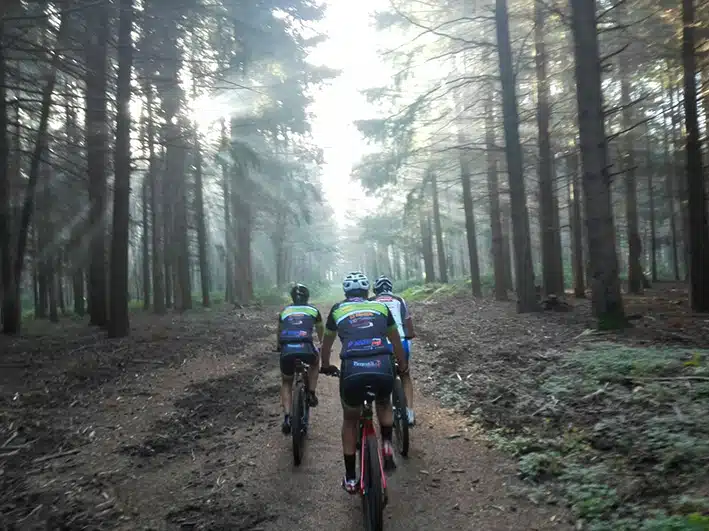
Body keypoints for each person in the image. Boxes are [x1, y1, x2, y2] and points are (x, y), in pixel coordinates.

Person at [320, 271, 409, 494]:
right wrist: (402, 364)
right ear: (367, 291)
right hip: (382, 366)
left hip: (352, 370)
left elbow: (326, 345)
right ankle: (387, 446)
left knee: (350, 419)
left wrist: (325, 365)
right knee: (384, 403)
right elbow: (396, 340)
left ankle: (351, 478)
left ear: (345, 292)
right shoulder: (381, 308)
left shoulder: (337, 310)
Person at [276, 283, 324, 435]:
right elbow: (320, 330)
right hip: (306, 348)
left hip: (287, 349)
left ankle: (287, 418)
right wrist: (321, 344)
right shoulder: (313, 311)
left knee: (286, 381)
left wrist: (279, 346)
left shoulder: (284, 311)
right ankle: (311, 392)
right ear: (307, 297)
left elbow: (279, 332)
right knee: (315, 362)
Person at [371, 275, 417, 426]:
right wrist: (409, 335)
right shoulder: (399, 300)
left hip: (380, 345)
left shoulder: (371, 302)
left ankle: (385, 411)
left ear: (376, 290)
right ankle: (410, 413)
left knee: (380, 378)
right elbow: (408, 323)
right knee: (405, 375)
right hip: (401, 342)